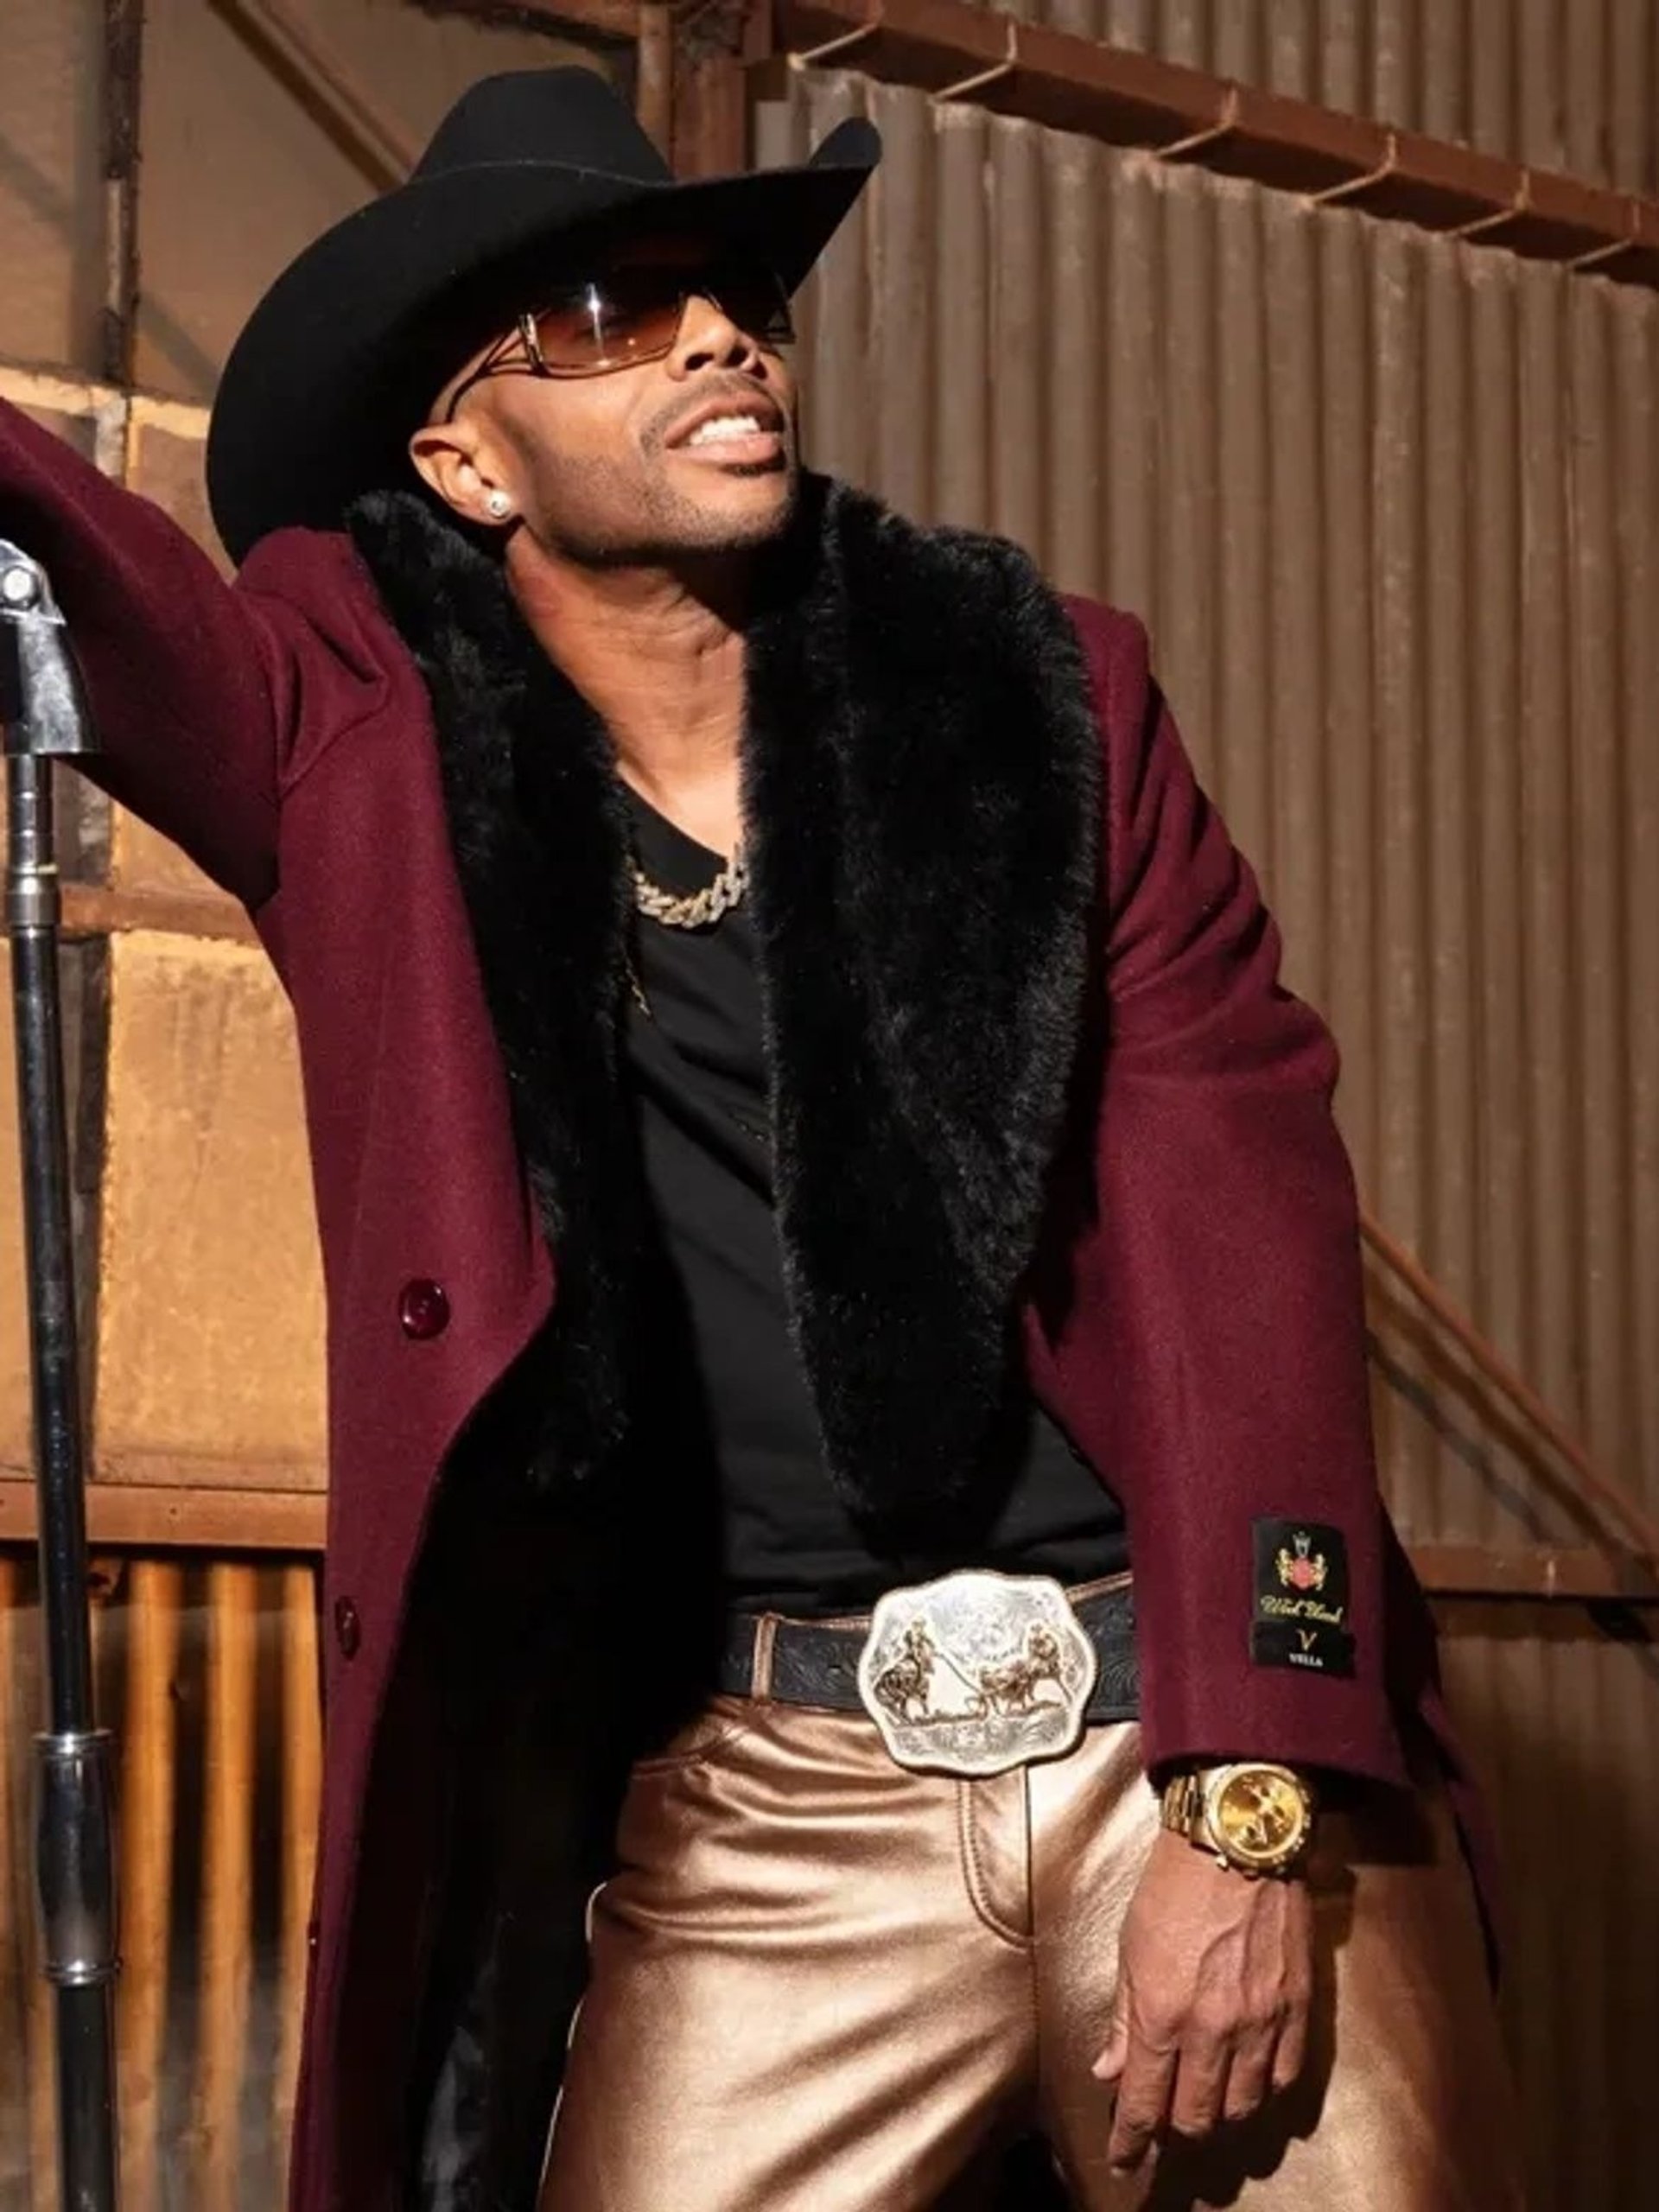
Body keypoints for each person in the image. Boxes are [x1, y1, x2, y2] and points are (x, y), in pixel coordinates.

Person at [0, 66, 1521, 2212]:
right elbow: (121, 595)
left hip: (1165, 1730)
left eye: (732, 299)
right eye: (616, 311)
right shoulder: (365, 734)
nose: (721, 336)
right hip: (765, 1800)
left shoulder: (1036, 703)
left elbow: (1243, 1210)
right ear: (464, 456)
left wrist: (1249, 1788)